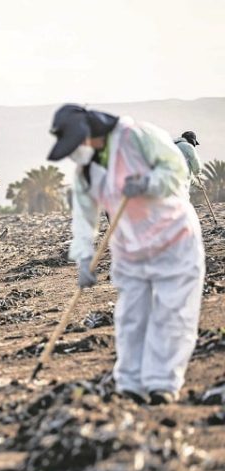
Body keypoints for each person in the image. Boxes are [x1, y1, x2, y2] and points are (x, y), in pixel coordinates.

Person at [47, 104, 205, 405]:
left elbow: (178, 171)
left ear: (89, 134)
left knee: (172, 312)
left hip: (174, 239)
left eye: (75, 145)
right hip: (130, 247)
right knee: (132, 315)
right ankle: (130, 383)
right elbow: (84, 217)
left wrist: (149, 183)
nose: (74, 153)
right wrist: (83, 257)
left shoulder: (139, 137)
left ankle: (163, 384)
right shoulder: (87, 170)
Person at [173, 131, 203, 195]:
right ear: (192, 140)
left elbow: (187, 175)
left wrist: (197, 185)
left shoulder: (171, 144)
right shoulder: (188, 147)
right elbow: (195, 160)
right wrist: (197, 172)